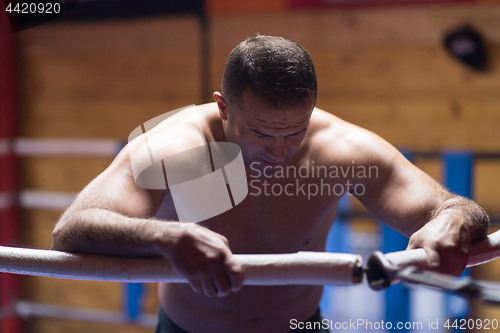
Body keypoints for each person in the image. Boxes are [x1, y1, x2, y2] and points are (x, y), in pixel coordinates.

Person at [51, 35, 489, 333]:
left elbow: (448, 206)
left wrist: (452, 220)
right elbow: (73, 228)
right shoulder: (174, 146)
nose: (280, 151)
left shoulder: (340, 148)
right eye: (260, 133)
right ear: (224, 108)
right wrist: (167, 236)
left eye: (294, 131)